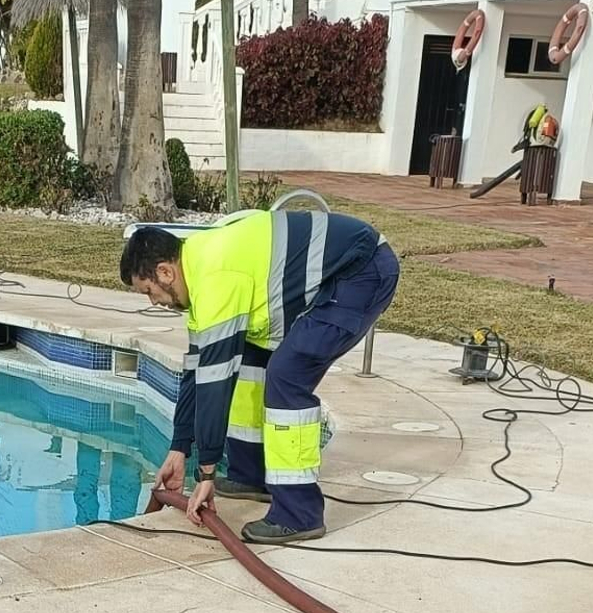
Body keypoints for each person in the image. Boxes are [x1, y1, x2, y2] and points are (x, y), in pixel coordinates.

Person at [120, 206, 400, 544]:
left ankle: (300, 514)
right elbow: (196, 376)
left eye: (148, 290)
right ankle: (252, 475)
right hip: (345, 268)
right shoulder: (198, 275)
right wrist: (179, 447)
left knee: (287, 377)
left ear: (165, 272)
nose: (153, 301)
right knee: (252, 361)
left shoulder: (215, 279)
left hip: (361, 271)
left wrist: (206, 471)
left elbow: (215, 385)